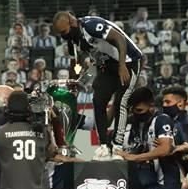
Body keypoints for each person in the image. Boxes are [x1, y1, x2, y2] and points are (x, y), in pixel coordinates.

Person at [52, 11, 143, 160]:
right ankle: (104, 145)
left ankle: (117, 146)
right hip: (106, 66)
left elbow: (119, 38)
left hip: (127, 61)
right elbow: (76, 63)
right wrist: (73, 81)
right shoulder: (73, 40)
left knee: (121, 101)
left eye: (64, 31)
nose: (63, 35)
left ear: (71, 22)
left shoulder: (91, 26)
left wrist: (121, 65)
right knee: (98, 101)